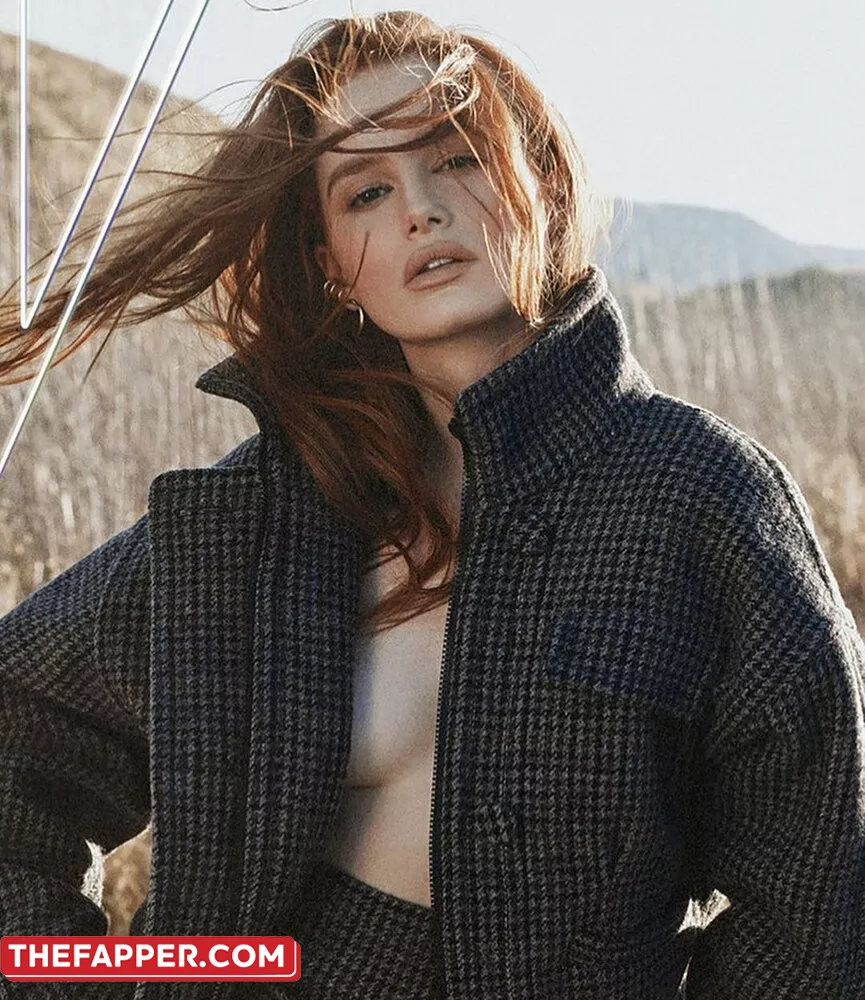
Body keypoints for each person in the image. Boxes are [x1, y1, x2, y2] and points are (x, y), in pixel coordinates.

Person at [1, 10, 863, 1000]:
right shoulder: (255, 517)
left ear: (538, 185)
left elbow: (817, 906)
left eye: (456, 159)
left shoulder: (702, 498)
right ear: (331, 266)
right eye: (366, 191)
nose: (419, 209)